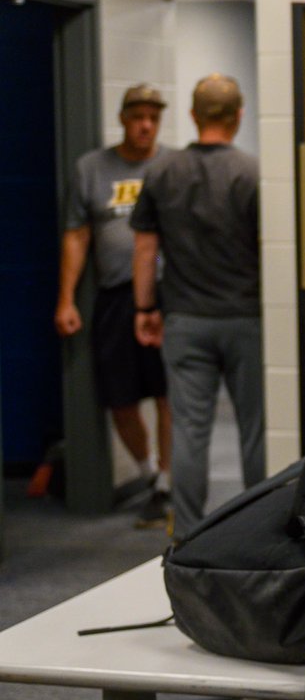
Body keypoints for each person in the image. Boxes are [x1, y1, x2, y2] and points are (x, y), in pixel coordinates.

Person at [129, 73, 263, 540]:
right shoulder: (253, 172)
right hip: (248, 318)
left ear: (192, 115)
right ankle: (259, 532)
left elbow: (145, 249)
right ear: (238, 115)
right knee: (257, 431)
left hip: (185, 319)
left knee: (188, 431)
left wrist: (144, 308)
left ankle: (185, 538)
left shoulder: (161, 172)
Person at [55, 83, 174, 528]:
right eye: (138, 117)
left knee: (168, 394)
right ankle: (148, 473)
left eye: (153, 118)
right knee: (120, 398)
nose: (146, 125)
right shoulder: (91, 168)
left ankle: (167, 483)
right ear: (123, 119)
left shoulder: (172, 165)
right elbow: (76, 236)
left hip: (166, 295)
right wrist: (66, 299)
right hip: (115, 298)